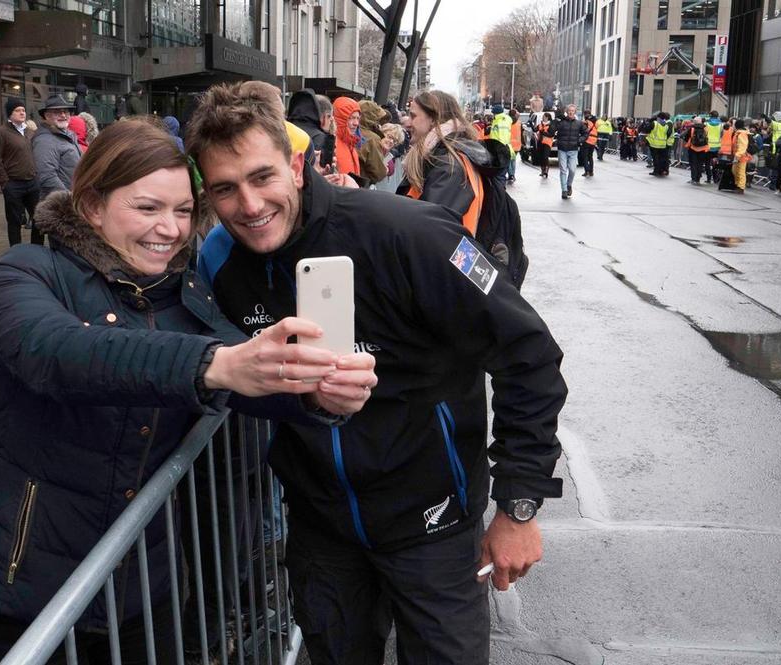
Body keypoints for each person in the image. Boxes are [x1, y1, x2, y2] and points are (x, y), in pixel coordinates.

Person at [0, 118, 376, 664]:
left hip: (143, 588)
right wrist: (214, 363)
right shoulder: (26, 272)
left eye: (183, 211)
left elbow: (245, 375)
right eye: (148, 207)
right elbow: (54, 352)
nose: (171, 229)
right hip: (22, 581)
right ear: (91, 205)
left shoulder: (185, 293)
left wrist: (315, 393)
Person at [189, 81, 566, 665]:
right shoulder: (220, 259)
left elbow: (530, 353)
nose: (250, 205)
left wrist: (519, 505)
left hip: (433, 525)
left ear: (295, 164)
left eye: (261, 177)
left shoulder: (409, 233)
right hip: (322, 530)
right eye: (225, 189)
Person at [397, 89, 492, 233]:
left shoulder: (450, 166)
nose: (408, 123)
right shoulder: (443, 159)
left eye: (413, 116)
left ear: (434, 119)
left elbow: (428, 231)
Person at [0, 97, 41, 246]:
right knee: (14, 221)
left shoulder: (30, 132)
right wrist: (5, 183)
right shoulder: (1, 133)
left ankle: (37, 249)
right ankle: (16, 251)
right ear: (10, 114)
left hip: (32, 182)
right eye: (17, 110)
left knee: (38, 218)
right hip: (13, 183)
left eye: (23, 110)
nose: (22, 113)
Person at [32, 95, 81, 201]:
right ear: (47, 116)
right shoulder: (44, 141)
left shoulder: (68, 134)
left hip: (76, 196)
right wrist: (68, 199)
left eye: (66, 112)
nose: (63, 115)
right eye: (57, 112)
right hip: (61, 204)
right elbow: (47, 176)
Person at [286, 88, 334, 170]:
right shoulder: (321, 137)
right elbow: (325, 170)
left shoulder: (283, 130)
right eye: (329, 116)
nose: (331, 120)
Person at [553, 103, 587, 199]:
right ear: (567, 112)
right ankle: (564, 190)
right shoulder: (561, 122)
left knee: (572, 170)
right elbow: (553, 129)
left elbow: (585, 133)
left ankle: (569, 185)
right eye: (569, 111)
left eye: (572, 111)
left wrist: (579, 141)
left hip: (573, 149)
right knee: (563, 170)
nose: (571, 112)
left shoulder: (579, 123)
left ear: (575, 112)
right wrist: (556, 120)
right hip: (562, 149)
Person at [358, 99, 389, 185]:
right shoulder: (372, 139)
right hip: (361, 184)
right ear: (371, 118)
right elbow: (378, 172)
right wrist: (385, 170)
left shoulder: (349, 131)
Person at [332, 96, 363, 181]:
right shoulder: (331, 144)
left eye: (357, 118)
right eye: (351, 118)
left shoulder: (351, 143)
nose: (356, 123)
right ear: (340, 119)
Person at [683, 116, 709, 185]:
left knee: (693, 164)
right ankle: (698, 179)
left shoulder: (692, 128)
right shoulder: (706, 128)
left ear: (694, 122)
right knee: (700, 164)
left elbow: (686, 138)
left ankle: (693, 179)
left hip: (693, 148)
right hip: (703, 148)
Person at [647, 112, 673, 176]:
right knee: (662, 159)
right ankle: (661, 171)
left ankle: (658, 171)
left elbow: (647, 129)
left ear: (658, 117)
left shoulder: (655, 123)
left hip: (655, 144)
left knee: (656, 159)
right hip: (663, 144)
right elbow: (668, 133)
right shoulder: (666, 125)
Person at [731, 118, 751, 193]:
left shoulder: (741, 134)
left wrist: (737, 155)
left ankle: (741, 187)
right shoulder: (739, 133)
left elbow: (742, 146)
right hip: (739, 155)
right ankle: (738, 185)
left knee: (740, 171)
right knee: (735, 170)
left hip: (741, 155)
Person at [534, 112, 554, 177]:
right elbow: (535, 130)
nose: (543, 117)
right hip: (540, 142)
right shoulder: (540, 125)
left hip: (547, 143)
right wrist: (531, 125)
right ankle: (542, 171)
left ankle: (546, 171)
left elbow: (551, 134)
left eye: (544, 116)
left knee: (545, 157)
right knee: (541, 157)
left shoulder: (551, 125)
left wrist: (543, 132)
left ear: (547, 117)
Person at [706, 111, 723, 182]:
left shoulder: (706, 124)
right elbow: (722, 134)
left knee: (707, 163)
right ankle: (715, 178)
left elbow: (705, 133)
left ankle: (709, 178)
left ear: (710, 115)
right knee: (715, 163)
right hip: (717, 146)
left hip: (708, 146)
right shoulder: (721, 125)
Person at [507, 108, 522, 182]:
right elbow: (522, 133)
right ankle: (512, 174)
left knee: (508, 160)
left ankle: (510, 174)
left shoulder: (507, 122)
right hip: (517, 144)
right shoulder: (519, 122)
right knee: (513, 160)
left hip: (509, 143)